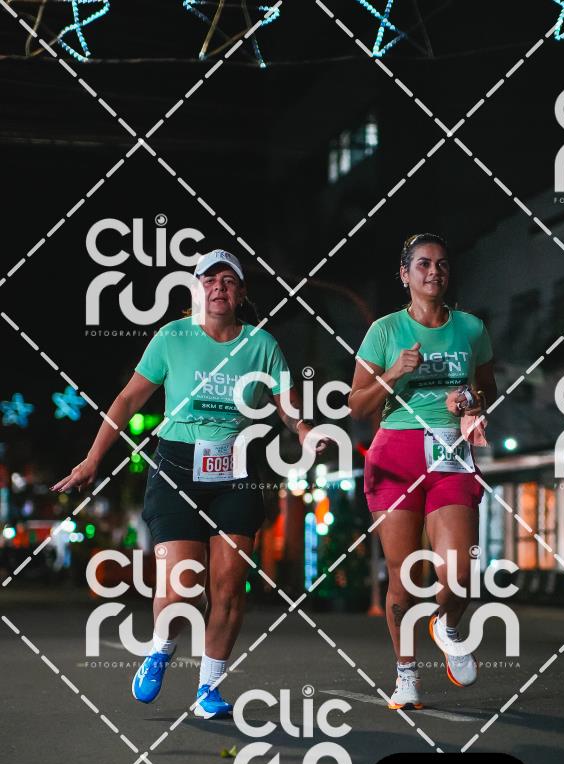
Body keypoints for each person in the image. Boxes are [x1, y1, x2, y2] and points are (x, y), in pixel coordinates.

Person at [52, 249, 322, 718]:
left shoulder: (261, 344)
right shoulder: (171, 338)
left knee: (229, 587)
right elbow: (128, 399)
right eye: (209, 280)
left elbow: (287, 403)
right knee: (182, 589)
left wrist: (303, 429)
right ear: (197, 290)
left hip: (235, 470)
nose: (218, 287)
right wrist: (93, 459)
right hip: (177, 467)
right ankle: (161, 647)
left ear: (241, 292)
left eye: (228, 280)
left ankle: (208, 689)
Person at [349, 233, 497, 709]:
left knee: (460, 571)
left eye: (442, 264)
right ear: (405, 274)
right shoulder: (385, 331)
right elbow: (356, 406)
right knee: (405, 574)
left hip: (451, 451)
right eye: (424, 264)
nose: (434, 271)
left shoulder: (471, 328)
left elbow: (487, 390)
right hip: (396, 453)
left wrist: (469, 400)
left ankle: (447, 625)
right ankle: (406, 674)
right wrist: (393, 373)